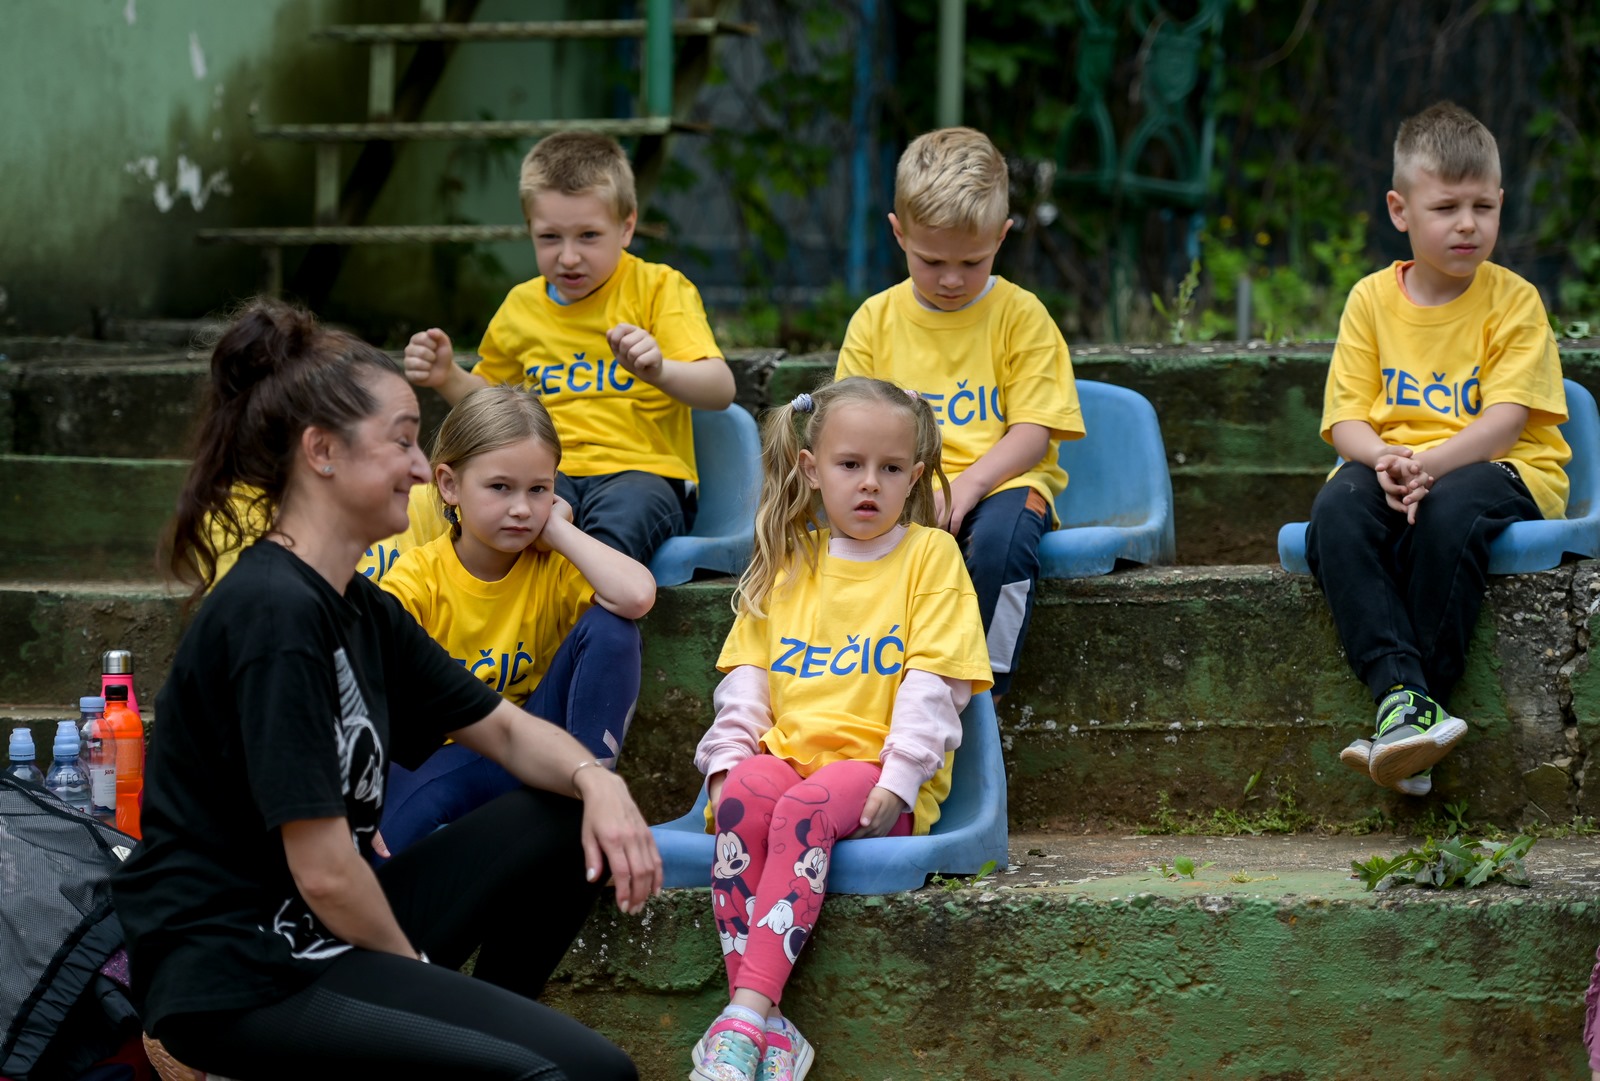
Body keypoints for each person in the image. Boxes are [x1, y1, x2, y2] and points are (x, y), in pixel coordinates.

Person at [110, 300, 661, 1079]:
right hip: (248, 971)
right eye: (403, 440)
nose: (416, 466)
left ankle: (492, 1040)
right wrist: (423, 983)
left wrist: (597, 783)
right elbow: (328, 868)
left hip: (321, 929)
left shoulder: (354, 603)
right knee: (591, 1073)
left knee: (565, 812)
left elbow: (502, 730)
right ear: (322, 452)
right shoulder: (274, 614)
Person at [687, 378, 992, 1081]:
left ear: (915, 478)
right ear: (810, 469)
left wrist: (901, 775)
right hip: (791, 756)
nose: (869, 484)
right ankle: (763, 1026)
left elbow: (933, 683)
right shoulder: (791, 560)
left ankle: (742, 1018)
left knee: (802, 807)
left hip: (874, 775)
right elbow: (748, 682)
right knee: (740, 799)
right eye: (850, 464)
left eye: (891, 469)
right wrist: (728, 761)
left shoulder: (930, 557)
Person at [1305, 102, 1570, 796]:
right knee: (1335, 510)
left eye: (1484, 206)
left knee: (1450, 509)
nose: (1467, 223)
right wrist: (1387, 461)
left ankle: (1409, 706)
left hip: (1501, 471)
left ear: (1501, 204)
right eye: (1446, 205)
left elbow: (1507, 422)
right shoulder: (1369, 301)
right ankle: (1406, 703)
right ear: (1400, 209)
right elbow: (1345, 422)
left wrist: (1426, 465)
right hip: (1395, 469)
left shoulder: (1514, 301)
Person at [401, 130, 735, 567]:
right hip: (542, 476)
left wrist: (660, 371)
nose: (569, 257)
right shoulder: (520, 306)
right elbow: (491, 406)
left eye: (589, 236)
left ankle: (584, 629)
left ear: (627, 227)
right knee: (496, 517)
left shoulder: (658, 289)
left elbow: (721, 389)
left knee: (610, 537)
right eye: (551, 238)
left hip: (642, 475)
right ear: (530, 231)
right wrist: (447, 376)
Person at [835, 126, 1084, 702]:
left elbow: (1033, 431)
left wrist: (968, 485)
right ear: (898, 234)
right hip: (899, 482)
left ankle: (977, 688)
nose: (951, 279)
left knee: (1004, 541)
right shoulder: (874, 320)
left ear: (1002, 236)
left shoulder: (1022, 317)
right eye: (931, 260)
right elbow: (846, 424)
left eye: (972, 261)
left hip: (1003, 482)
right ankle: (869, 683)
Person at [376, 384, 657, 856]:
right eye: (500, 487)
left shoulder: (553, 565)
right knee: (376, 850)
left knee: (612, 627)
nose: (522, 508)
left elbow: (636, 595)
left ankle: (590, 794)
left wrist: (558, 527)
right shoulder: (418, 578)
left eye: (538, 489)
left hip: (544, 750)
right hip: (444, 756)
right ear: (448, 485)